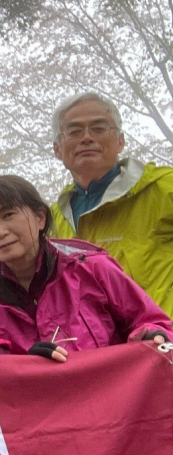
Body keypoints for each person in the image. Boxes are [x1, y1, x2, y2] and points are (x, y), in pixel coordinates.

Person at [0, 175, 171, 355]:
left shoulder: (92, 268)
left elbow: (152, 322)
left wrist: (153, 335)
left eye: (8, 215)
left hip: (113, 395)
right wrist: (23, 361)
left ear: (40, 217)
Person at [49, 92, 173, 316]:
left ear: (120, 141)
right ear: (57, 149)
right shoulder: (52, 219)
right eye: (74, 131)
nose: (87, 138)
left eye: (98, 128)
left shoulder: (163, 188)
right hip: (96, 348)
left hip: (162, 343)